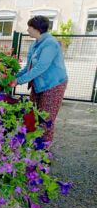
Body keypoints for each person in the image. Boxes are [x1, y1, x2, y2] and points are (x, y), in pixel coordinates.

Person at [12, 15, 68, 144]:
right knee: (34, 114)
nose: (27, 30)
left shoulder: (51, 44)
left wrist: (19, 81)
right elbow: (29, 66)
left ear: (36, 29)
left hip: (53, 84)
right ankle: (35, 143)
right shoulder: (35, 44)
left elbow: (41, 67)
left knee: (46, 118)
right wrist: (16, 77)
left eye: (29, 27)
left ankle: (44, 149)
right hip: (39, 84)